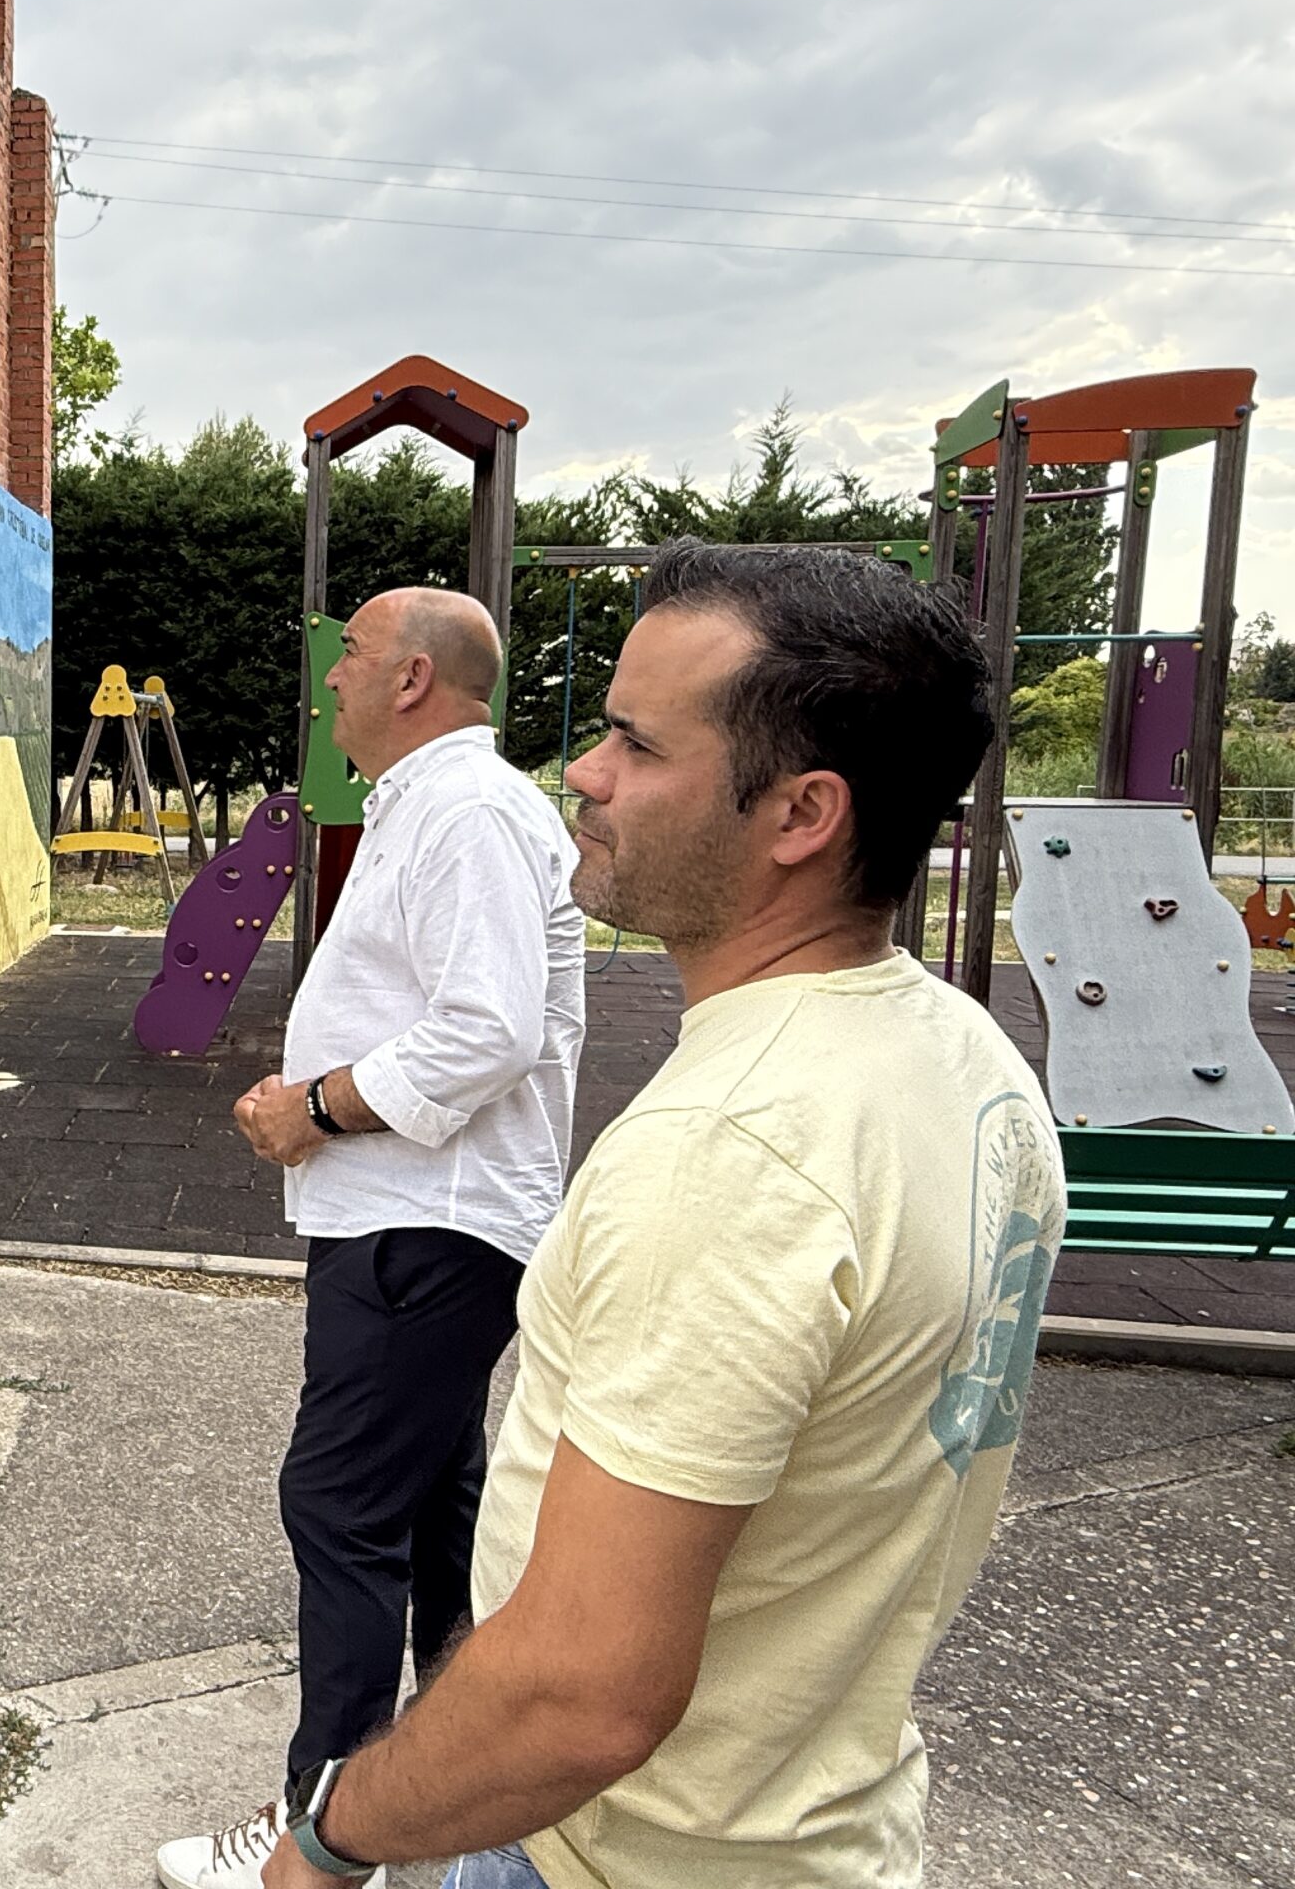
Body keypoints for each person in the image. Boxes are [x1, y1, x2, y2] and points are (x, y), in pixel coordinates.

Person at [252, 539, 1063, 1889]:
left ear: (800, 815)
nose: (582, 771)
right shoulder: (971, 1067)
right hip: (817, 1822)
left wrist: (332, 1838)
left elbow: (583, 1695)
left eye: (635, 741)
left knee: (349, 1504)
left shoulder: (728, 1156)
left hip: (621, 1855)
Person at [159, 588, 586, 1889]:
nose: (326, 682)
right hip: (423, 1221)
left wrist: (318, 1109)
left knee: (338, 1504)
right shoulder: (441, 805)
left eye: (345, 658)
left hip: (426, 1224)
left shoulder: (463, 810)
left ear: (412, 680)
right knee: (430, 1512)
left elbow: (490, 1027)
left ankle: (321, 1844)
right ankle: (457, 1811)